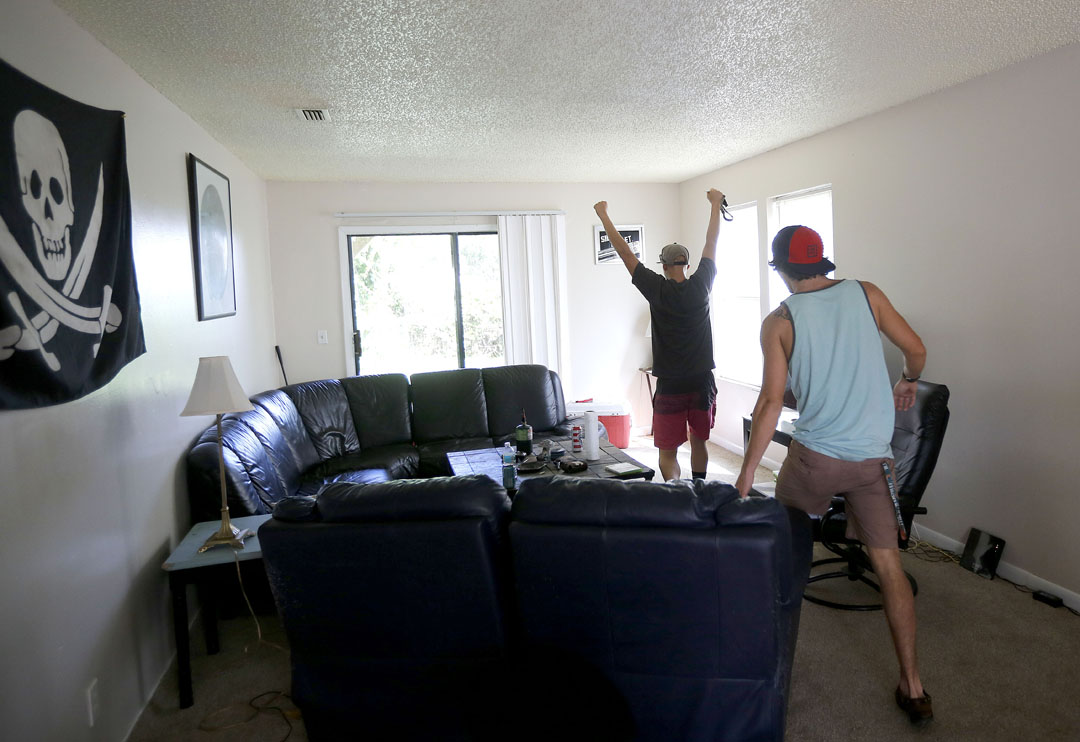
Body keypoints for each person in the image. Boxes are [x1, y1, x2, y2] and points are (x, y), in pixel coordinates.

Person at [734, 225, 932, 726]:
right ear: (822, 261)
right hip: (872, 463)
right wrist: (907, 381)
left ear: (780, 269)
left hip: (815, 460)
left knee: (782, 551)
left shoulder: (779, 321)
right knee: (888, 569)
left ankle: (768, 662)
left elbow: (770, 403)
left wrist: (745, 476)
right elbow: (917, 351)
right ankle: (913, 685)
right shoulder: (867, 294)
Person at [593, 189, 725, 481]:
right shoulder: (702, 284)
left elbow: (626, 253)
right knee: (699, 442)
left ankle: (676, 494)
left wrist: (604, 215)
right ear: (687, 265)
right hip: (702, 381)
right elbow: (711, 241)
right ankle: (700, 490)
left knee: (668, 452)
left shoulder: (657, 288)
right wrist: (715, 204)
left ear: (664, 266)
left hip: (671, 385)